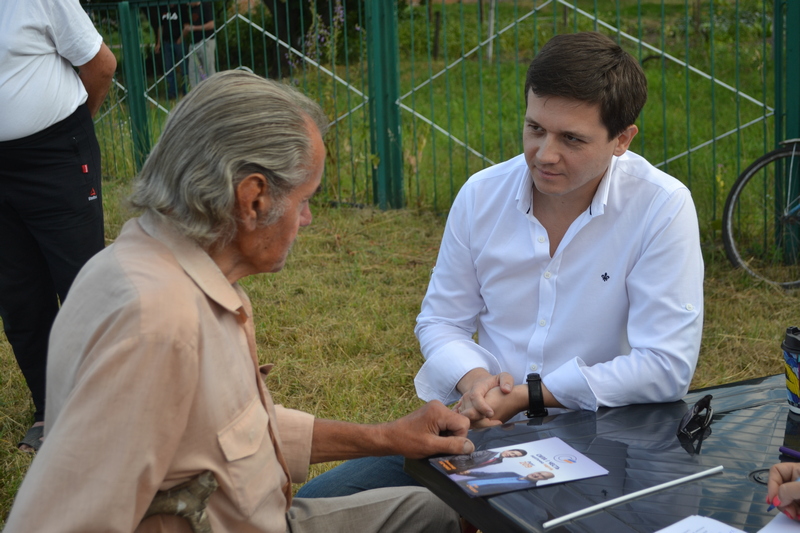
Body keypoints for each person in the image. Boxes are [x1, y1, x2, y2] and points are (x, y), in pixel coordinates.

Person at [3, 71, 474, 532]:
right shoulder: (158, 324)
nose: (307, 219)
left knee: (429, 511)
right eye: (305, 199)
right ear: (253, 199)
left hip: (267, 511)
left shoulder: (176, 267)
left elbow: (231, 431)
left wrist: (386, 437)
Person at [297, 30, 704, 498]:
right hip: (480, 430)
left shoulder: (660, 206)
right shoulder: (482, 194)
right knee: (316, 506)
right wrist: (476, 382)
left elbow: (666, 365)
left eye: (571, 138)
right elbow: (441, 320)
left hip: (604, 439)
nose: (545, 154)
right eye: (535, 128)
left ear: (622, 140)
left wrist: (530, 396)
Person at [0, 0, 116, 452]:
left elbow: (101, 66)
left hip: (55, 154)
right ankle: (51, 407)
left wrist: (67, 137)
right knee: (19, 295)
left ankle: (112, 402)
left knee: (83, 283)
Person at [155, 3, 188, 100]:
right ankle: (172, 93)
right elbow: (160, 26)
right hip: (166, 42)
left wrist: (181, 39)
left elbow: (186, 26)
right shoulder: (163, 7)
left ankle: (186, 91)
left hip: (178, 42)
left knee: (184, 68)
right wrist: (158, 43)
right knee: (169, 69)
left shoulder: (181, 7)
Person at [184, 1, 216, 88]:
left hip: (206, 41)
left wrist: (194, 28)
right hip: (194, 43)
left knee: (208, 69)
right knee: (194, 69)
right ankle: (196, 92)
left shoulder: (205, 5)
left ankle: (211, 90)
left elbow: (211, 24)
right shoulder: (189, 8)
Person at [458, 470, 555, 496]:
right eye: (538, 472)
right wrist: (469, 473)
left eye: (542, 476)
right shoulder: (512, 473)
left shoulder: (528, 489)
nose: (537, 475)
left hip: (470, 494)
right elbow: (488, 474)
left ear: (544, 480)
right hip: (461, 483)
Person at [434, 448, 527, 473]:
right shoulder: (488, 451)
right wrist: (461, 469)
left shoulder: (499, 462)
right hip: (445, 464)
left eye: (514, 456)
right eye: (512, 453)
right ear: (508, 450)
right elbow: (464, 457)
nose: (511, 455)